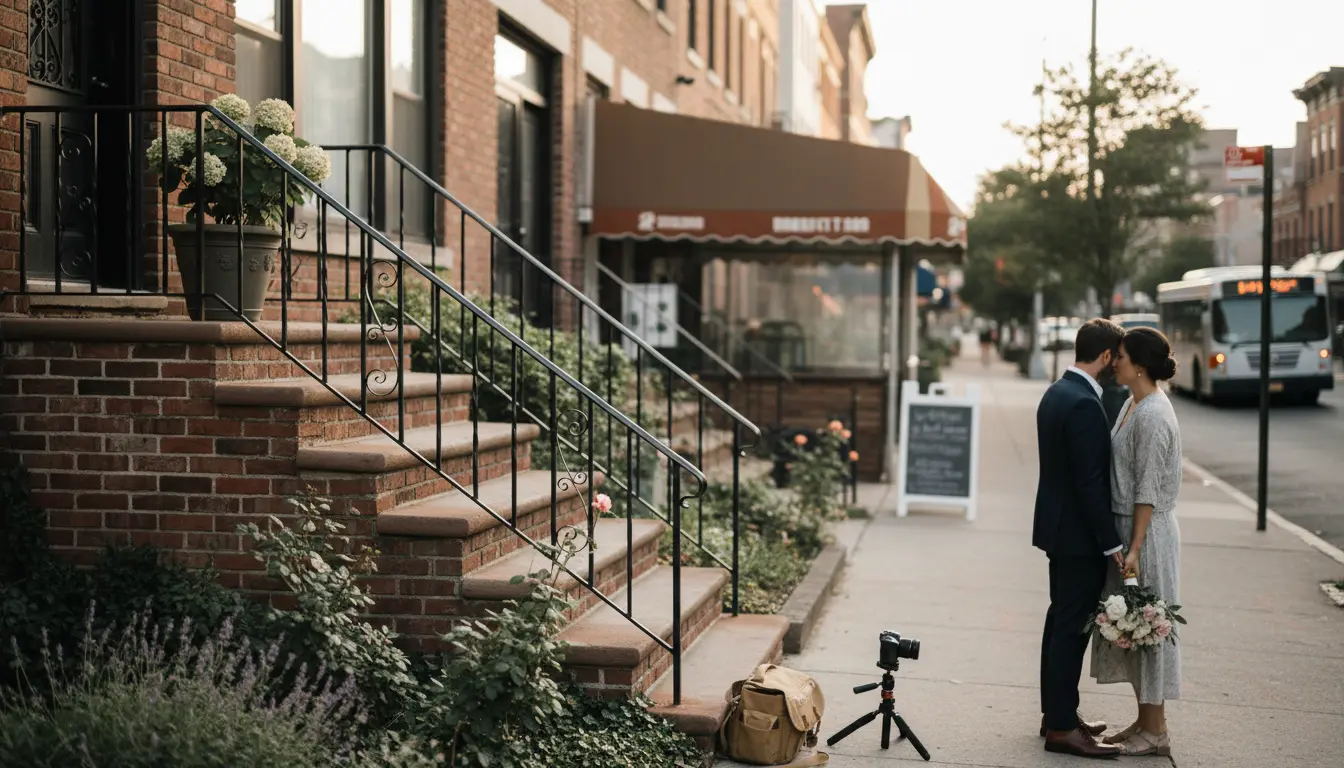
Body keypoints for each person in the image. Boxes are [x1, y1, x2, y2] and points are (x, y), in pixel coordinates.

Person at [1032, 318, 1126, 759]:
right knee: (1069, 630)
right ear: (1106, 356)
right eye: (1117, 357)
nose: (1118, 366)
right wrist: (1112, 544)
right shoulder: (1086, 404)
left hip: (1057, 528)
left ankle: (1057, 715)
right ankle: (1063, 728)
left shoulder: (1057, 392)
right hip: (1077, 537)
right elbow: (1090, 484)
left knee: (1059, 624)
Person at [1090, 327, 1183, 757]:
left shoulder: (1152, 415)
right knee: (1136, 628)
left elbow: (1146, 489)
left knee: (1148, 626)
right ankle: (1145, 721)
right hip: (1131, 527)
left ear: (1140, 366)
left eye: (1122, 357)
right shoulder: (1134, 402)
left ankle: (1157, 731)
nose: (1115, 362)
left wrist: (1135, 548)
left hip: (1146, 532)